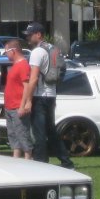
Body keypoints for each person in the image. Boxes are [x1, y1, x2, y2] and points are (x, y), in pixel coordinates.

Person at [20, 21, 74, 169]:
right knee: (51, 131)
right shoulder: (52, 48)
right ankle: (66, 162)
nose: (28, 38)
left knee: (39, 133)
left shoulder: (37, 52)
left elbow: (34, 78)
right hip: (51, 95)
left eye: (30, 35)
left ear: (39, 34)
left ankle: (41, 163)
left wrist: (28, 101)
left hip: (40, 96)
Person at [2, 39, 33, 159]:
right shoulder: (15, 65)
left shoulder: (23, 65)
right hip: (9, 106)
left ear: (13, 51)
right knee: (13, 135)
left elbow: (27, 86)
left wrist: (23, 105)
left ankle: (28, 158)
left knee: (22, 135)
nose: (6, 54)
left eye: (6, 52)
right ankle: (16, 159)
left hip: (17, 106)